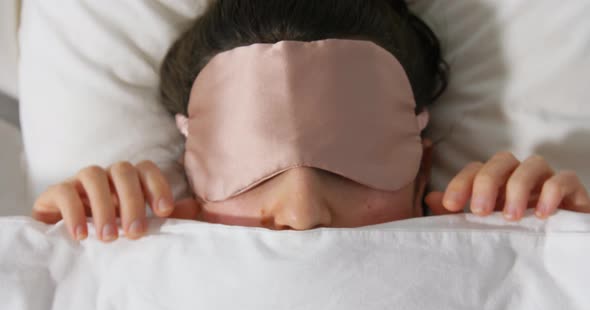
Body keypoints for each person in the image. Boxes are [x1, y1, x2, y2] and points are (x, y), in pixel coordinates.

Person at [31, 0, 590, 242]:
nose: (303, 215)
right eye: (253, 174)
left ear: (422, 173)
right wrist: (66, 248)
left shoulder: (508, 253)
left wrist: (562, 246)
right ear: (193, 183)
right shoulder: (124, 266)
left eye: (350, 169)